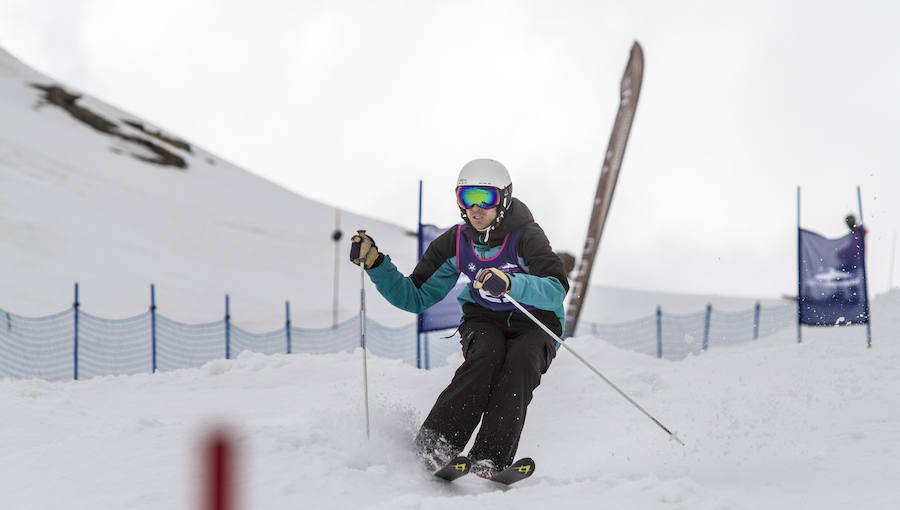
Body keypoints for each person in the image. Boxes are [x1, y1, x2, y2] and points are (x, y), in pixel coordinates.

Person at [349, 158, 569, 477]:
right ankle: (436, 445)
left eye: (486, 198)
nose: (475, 208)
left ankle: (490, 457)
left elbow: (556, 288)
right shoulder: (456, 242)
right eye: (466, 197)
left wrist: (511, 283)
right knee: (486, 355)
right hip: (485, 318)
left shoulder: (526, 235)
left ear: (504, 199)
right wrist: (377, 265)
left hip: (536, 321)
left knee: (521, 360)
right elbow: (415, 297)